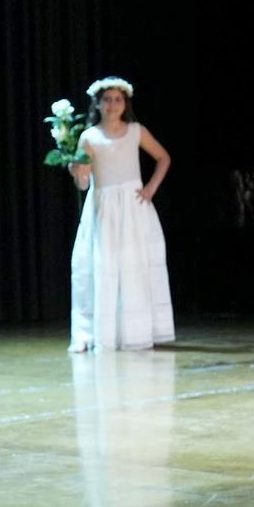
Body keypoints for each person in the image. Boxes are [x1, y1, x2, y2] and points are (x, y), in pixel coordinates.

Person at [68, 76, 174, 351]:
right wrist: (77, 171)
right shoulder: (89, 137)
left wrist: (150, 188)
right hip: (104, 207)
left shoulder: (136, 131)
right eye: (107, 100)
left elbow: (163, 157)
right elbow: (83, 183)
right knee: (104, 266)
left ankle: (136, 332)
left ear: (124, 104)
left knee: (133, 267)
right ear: (99, 104)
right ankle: (102, 333)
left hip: (133, 206)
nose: (113, 104)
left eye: (118, 100)